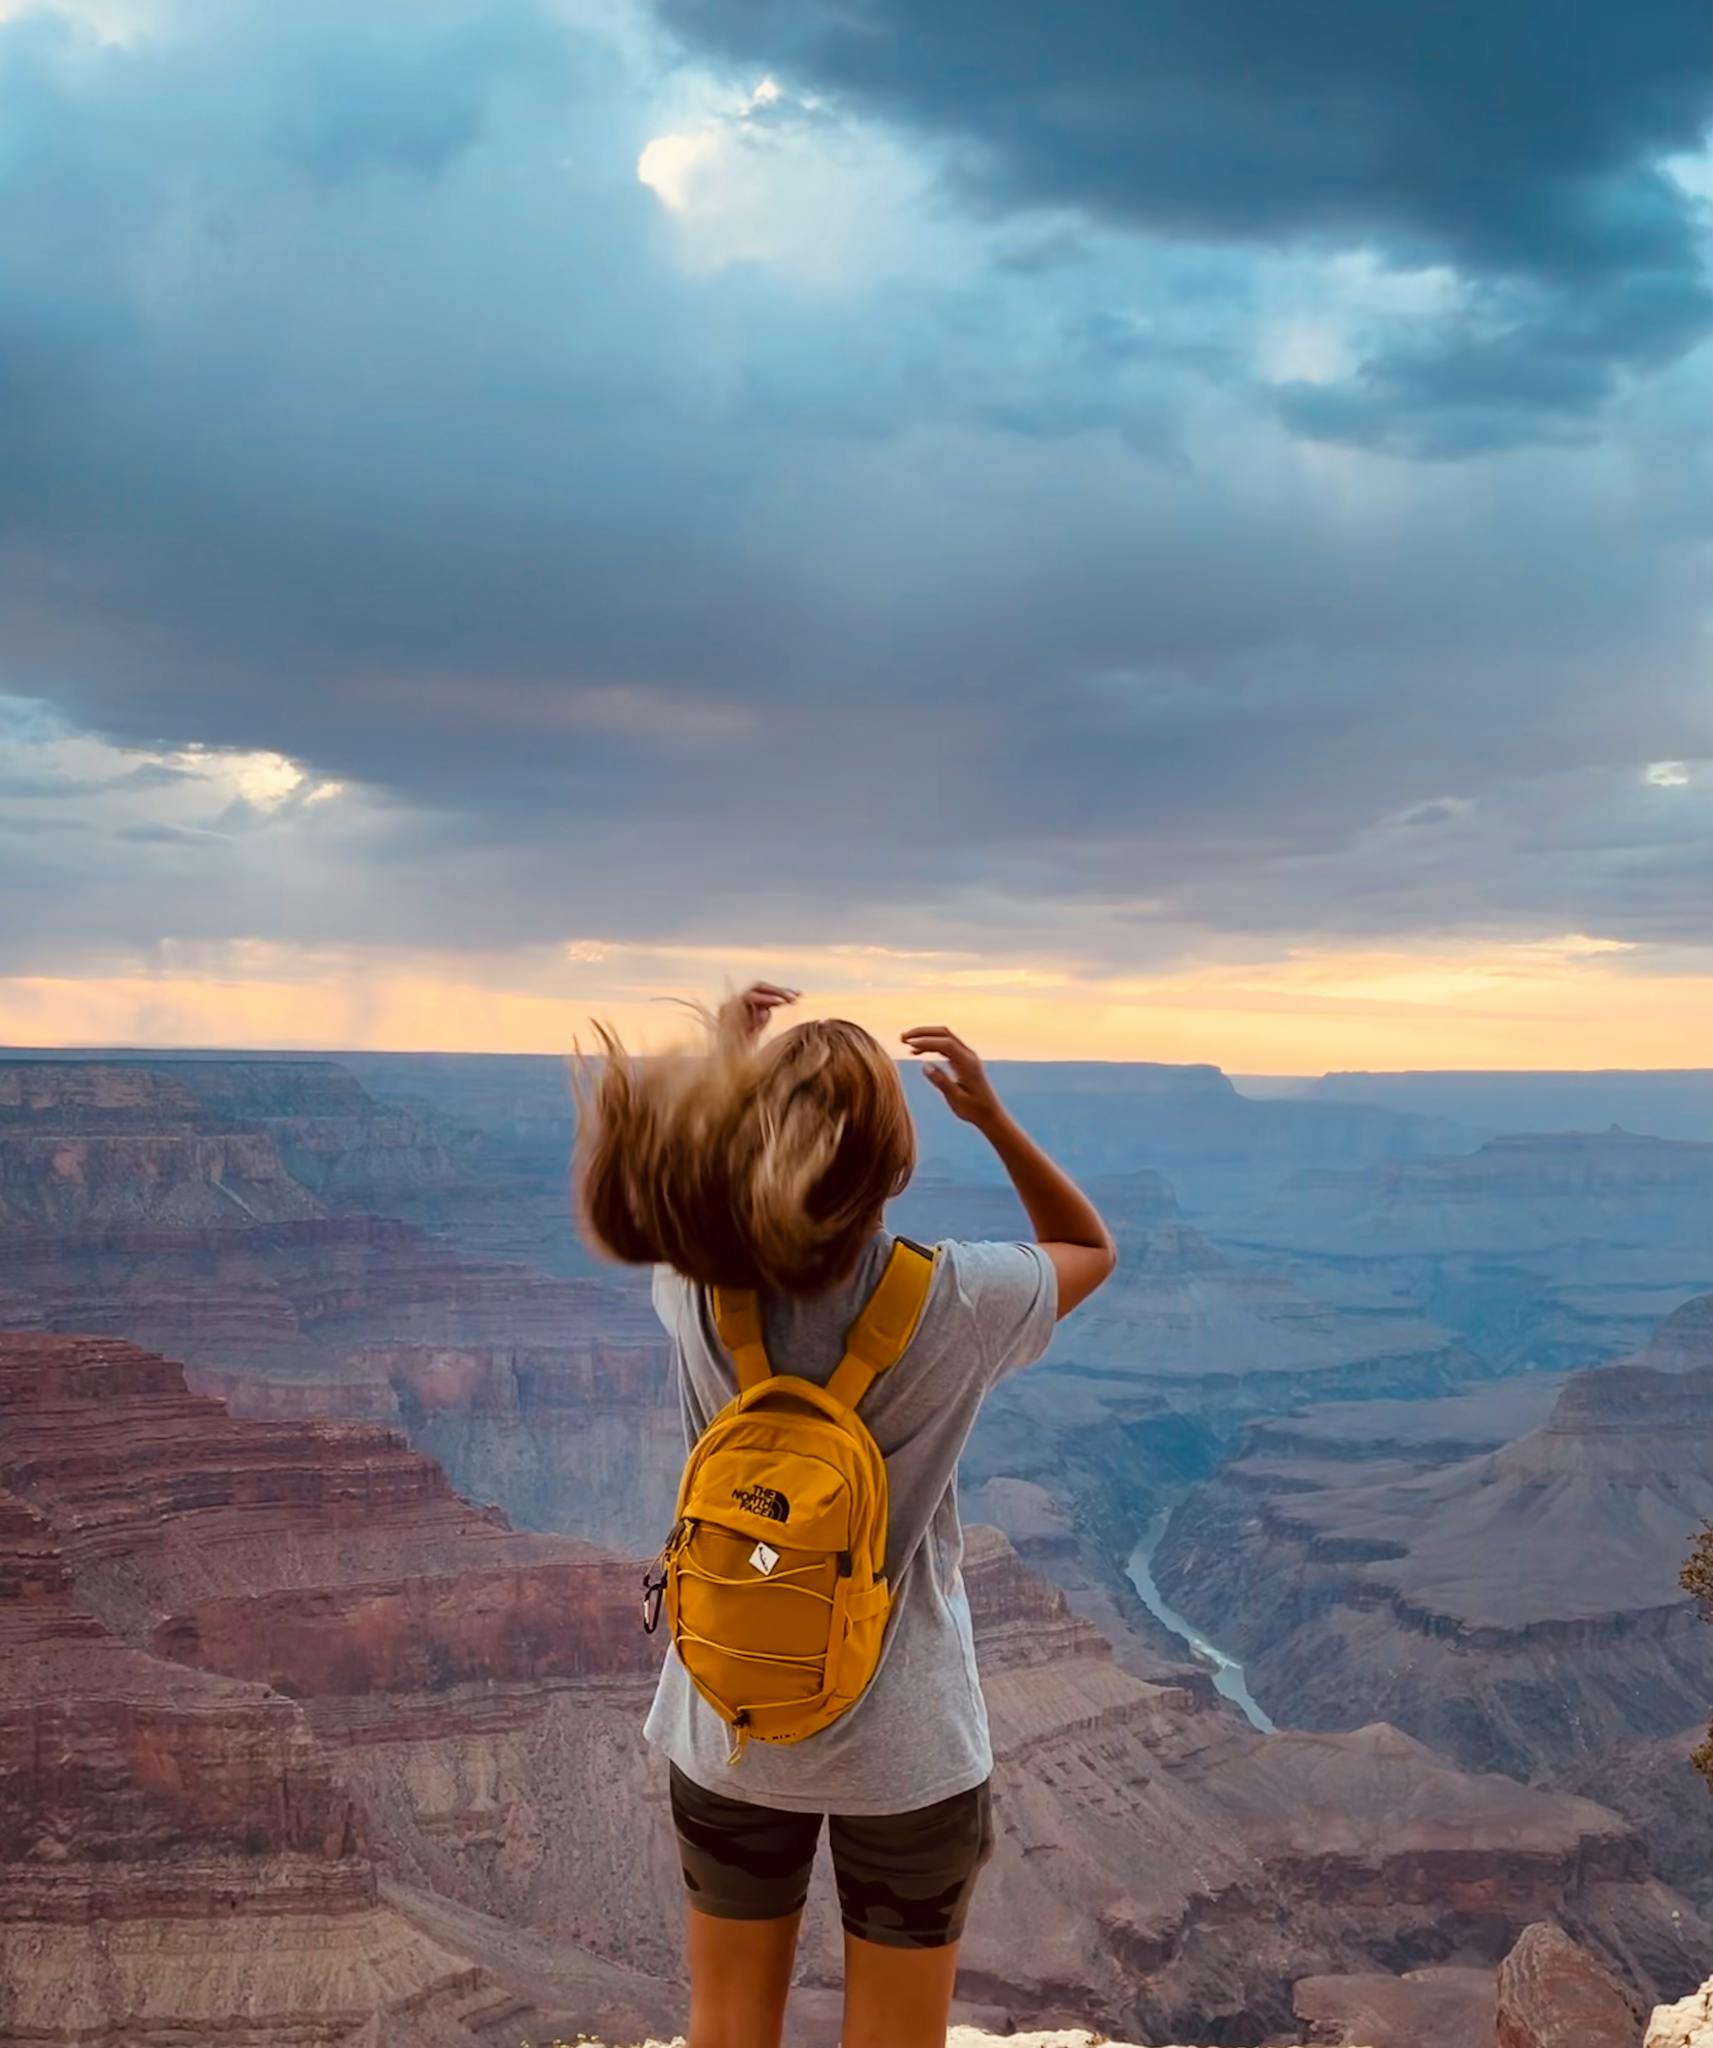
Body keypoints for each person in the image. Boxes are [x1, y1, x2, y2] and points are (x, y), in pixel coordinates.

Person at [576, 982, 1117, 2048]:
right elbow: (1088, 1249)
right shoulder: (958, 1296)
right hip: (907, 1750)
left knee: (728, 2030)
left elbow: (680, 1194)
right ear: (897, 1166)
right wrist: (994, 1117)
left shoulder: (693, 1284)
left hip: (726, 1719)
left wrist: (723, 1074)